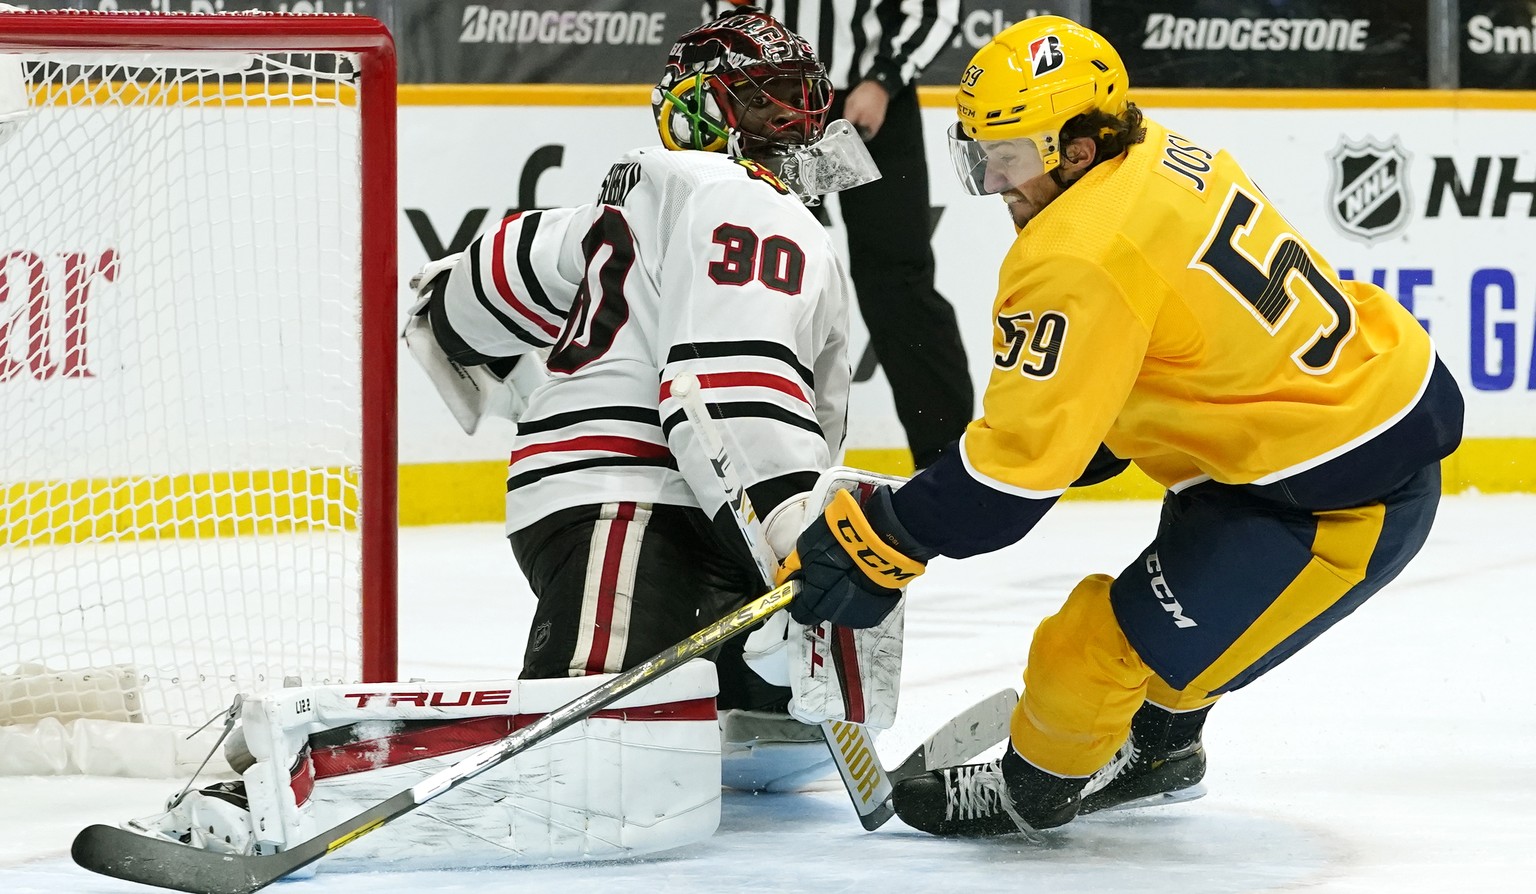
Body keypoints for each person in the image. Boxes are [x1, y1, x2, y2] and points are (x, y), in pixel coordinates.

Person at [778, 15, 1465, 837]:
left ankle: (1033, 788)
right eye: (980, 155)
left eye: (1011, 158)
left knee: (1088, 650)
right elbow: (1164, 344)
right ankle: (1162, 749)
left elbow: (1008, 484)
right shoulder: (1157, 149)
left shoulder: (1075, 251)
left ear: (1076, 148)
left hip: (1333, 504)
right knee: (1170, 639)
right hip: (1318, 427)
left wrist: (879, 540)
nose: (996, 183)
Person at [408, 6, 883, 792]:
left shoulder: (629, 206)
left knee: (711, 720)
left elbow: (490, 273)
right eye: (766, 102)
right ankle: (352, 771)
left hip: (642, 508)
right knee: (584, 760)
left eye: (800, 99)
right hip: (631, 508)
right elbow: (733, 384)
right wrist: (798, 536)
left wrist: (449, 321)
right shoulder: (748, 205)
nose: (795, 123)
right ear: (704, 109)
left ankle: (747, 693)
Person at [709, 0, 973, 471]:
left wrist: (885, 78)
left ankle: (948, 464)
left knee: (898, 284)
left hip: (870, 104)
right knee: (755, 269)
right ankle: (746, 452)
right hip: (763, 101)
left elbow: (936, 9)